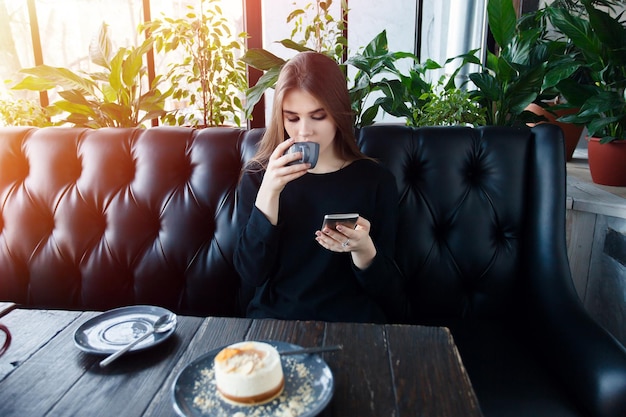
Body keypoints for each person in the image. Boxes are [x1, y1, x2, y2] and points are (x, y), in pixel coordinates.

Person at [234, 51, 406, 323]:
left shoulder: (375, 180)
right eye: (292, 118)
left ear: (338, 113)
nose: (304, 131)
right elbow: (251, 274)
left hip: (353, 324)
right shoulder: (259, 178)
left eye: (318, 116)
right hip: (277, 321)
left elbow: (391, 296)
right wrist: (269, 194)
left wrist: (363, 250)